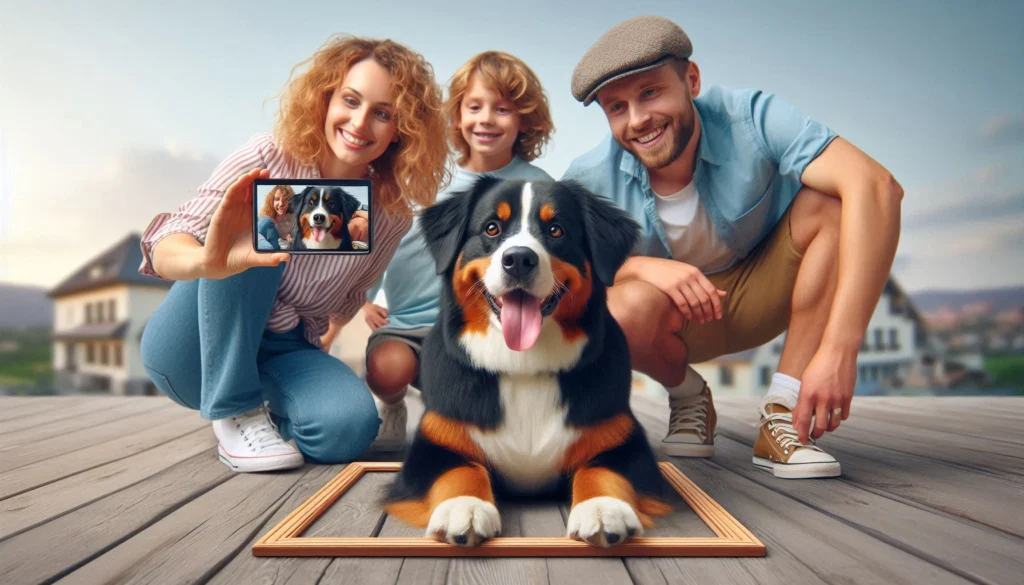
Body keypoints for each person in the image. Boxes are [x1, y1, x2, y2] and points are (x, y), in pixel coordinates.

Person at [563, 16, 902, 478]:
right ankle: (688, 396)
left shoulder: (753, 117)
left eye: (650, 93)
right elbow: (563, 289)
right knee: (614, 303)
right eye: (616, 107)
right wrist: (641, 267)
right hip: (679, 322)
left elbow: (877, 186)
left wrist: (841, 350)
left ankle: (783, 415)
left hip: (772, 294)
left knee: (832, 199)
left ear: (692, 80)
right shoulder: (587, 180)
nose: (638, 120)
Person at [138, 35, 449, 472]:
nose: (360, 124)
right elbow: (175, 233)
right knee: (260, 230)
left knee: (349, 428)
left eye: (382, 114)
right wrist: (207, 262)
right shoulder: (268, 155)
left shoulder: (389, 215)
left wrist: (324, 364)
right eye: (351, 100)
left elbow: (348, 298)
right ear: (326, 98)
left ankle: (267, 412)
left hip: (285, 345)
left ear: (403, 130)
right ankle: (235, 410)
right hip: (194, 347)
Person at [361, 51, 555, 450]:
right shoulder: (427, 174)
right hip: (412, 324)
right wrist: (363, 298)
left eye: (502, 109)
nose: (485, 119)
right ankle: (394, 406)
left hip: (489, 327)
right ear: (456, 116)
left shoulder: (538, 185)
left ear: (523, 121)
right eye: (474, 107)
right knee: (387, 369)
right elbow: (383, 238)